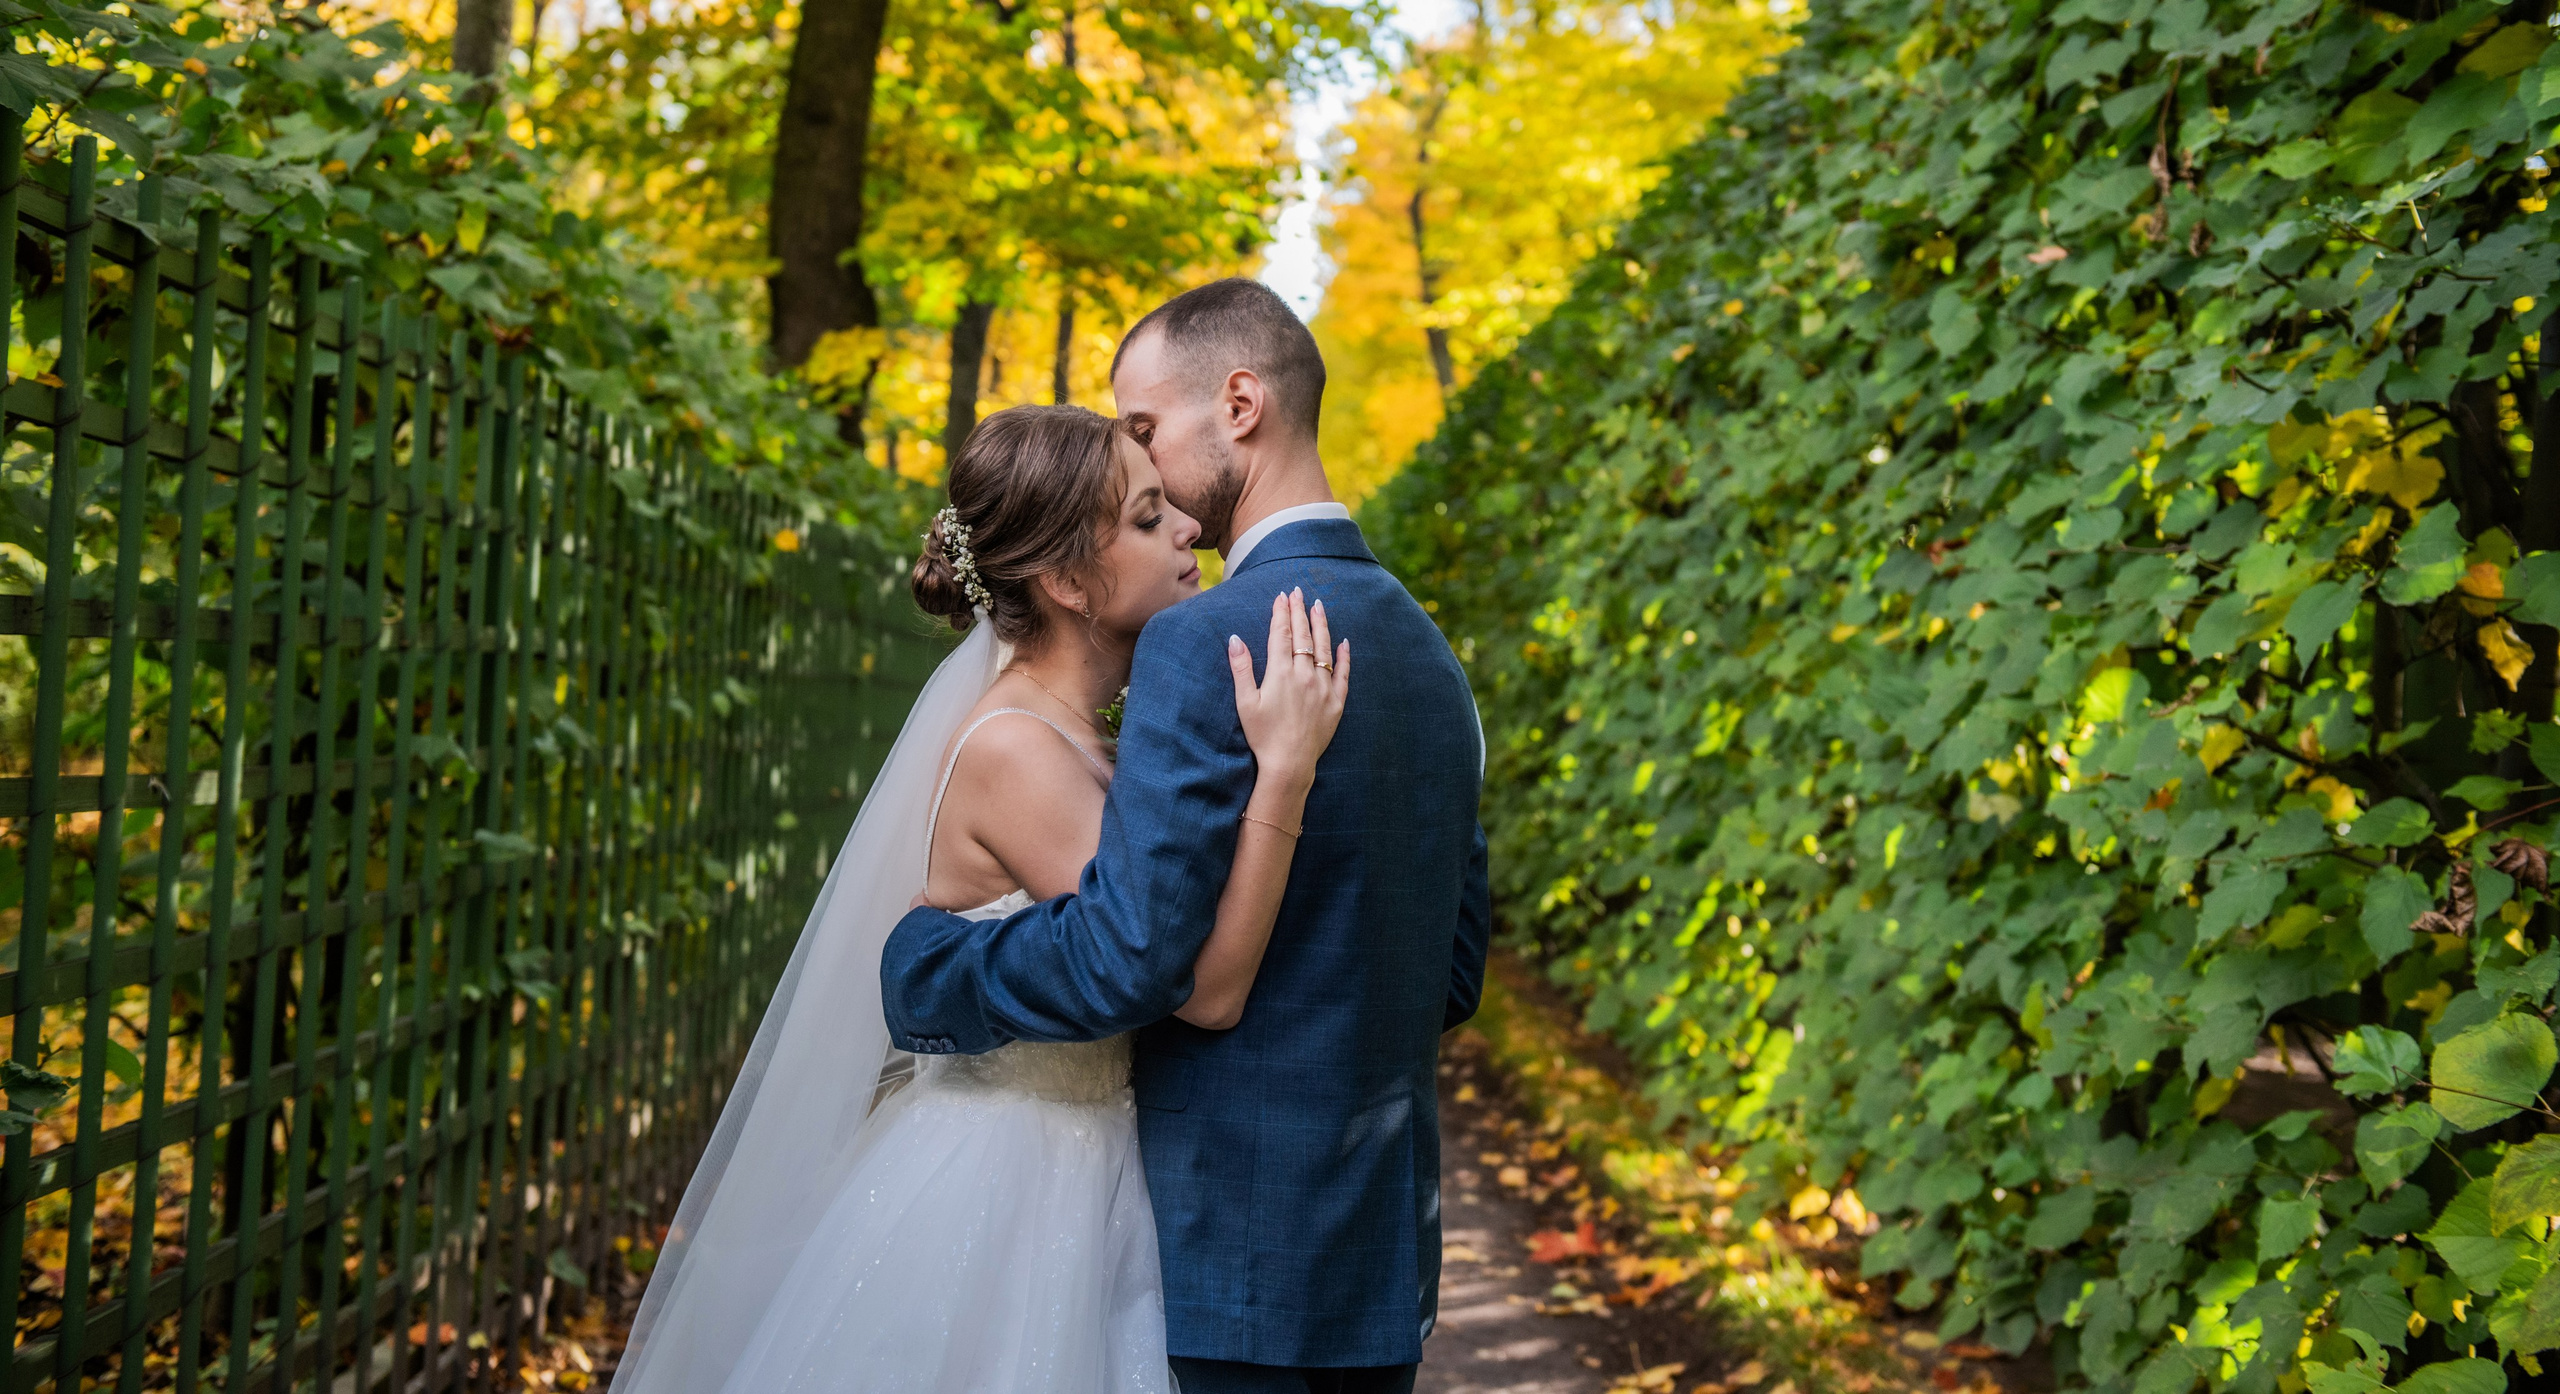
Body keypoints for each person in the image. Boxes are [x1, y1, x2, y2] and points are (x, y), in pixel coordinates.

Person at [610, 403, 1351, 1393]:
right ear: (1066, 582)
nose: (1186, 529)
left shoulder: (1089, 730)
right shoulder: (1017, 751)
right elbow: (1205, 989)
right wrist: (1286, 773)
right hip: (1012, 1185)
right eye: (1144, 517)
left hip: (1090, 1160)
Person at [882, 278, 1494, 1394]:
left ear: (1242, 402)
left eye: (1148, 429)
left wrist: (933, 966)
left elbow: (1139, 954)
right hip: (1379, 1264)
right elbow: (1449, 975)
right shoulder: (1433, 660)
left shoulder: (1204, 642)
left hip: (1223, 1248)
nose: (1150, 468)